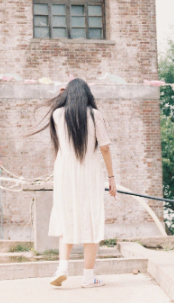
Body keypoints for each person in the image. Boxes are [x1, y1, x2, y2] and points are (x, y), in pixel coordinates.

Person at [30, 78, 117, 288]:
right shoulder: (95, 115)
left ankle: (62, 268)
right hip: (89, 171)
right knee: (91, 218)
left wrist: (62, 93)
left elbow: (58, 105)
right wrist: (111, 177)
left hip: (64, 172)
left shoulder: (58, 115)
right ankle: (88, 277)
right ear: (88, 94)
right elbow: (104, 147)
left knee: (66, 215)